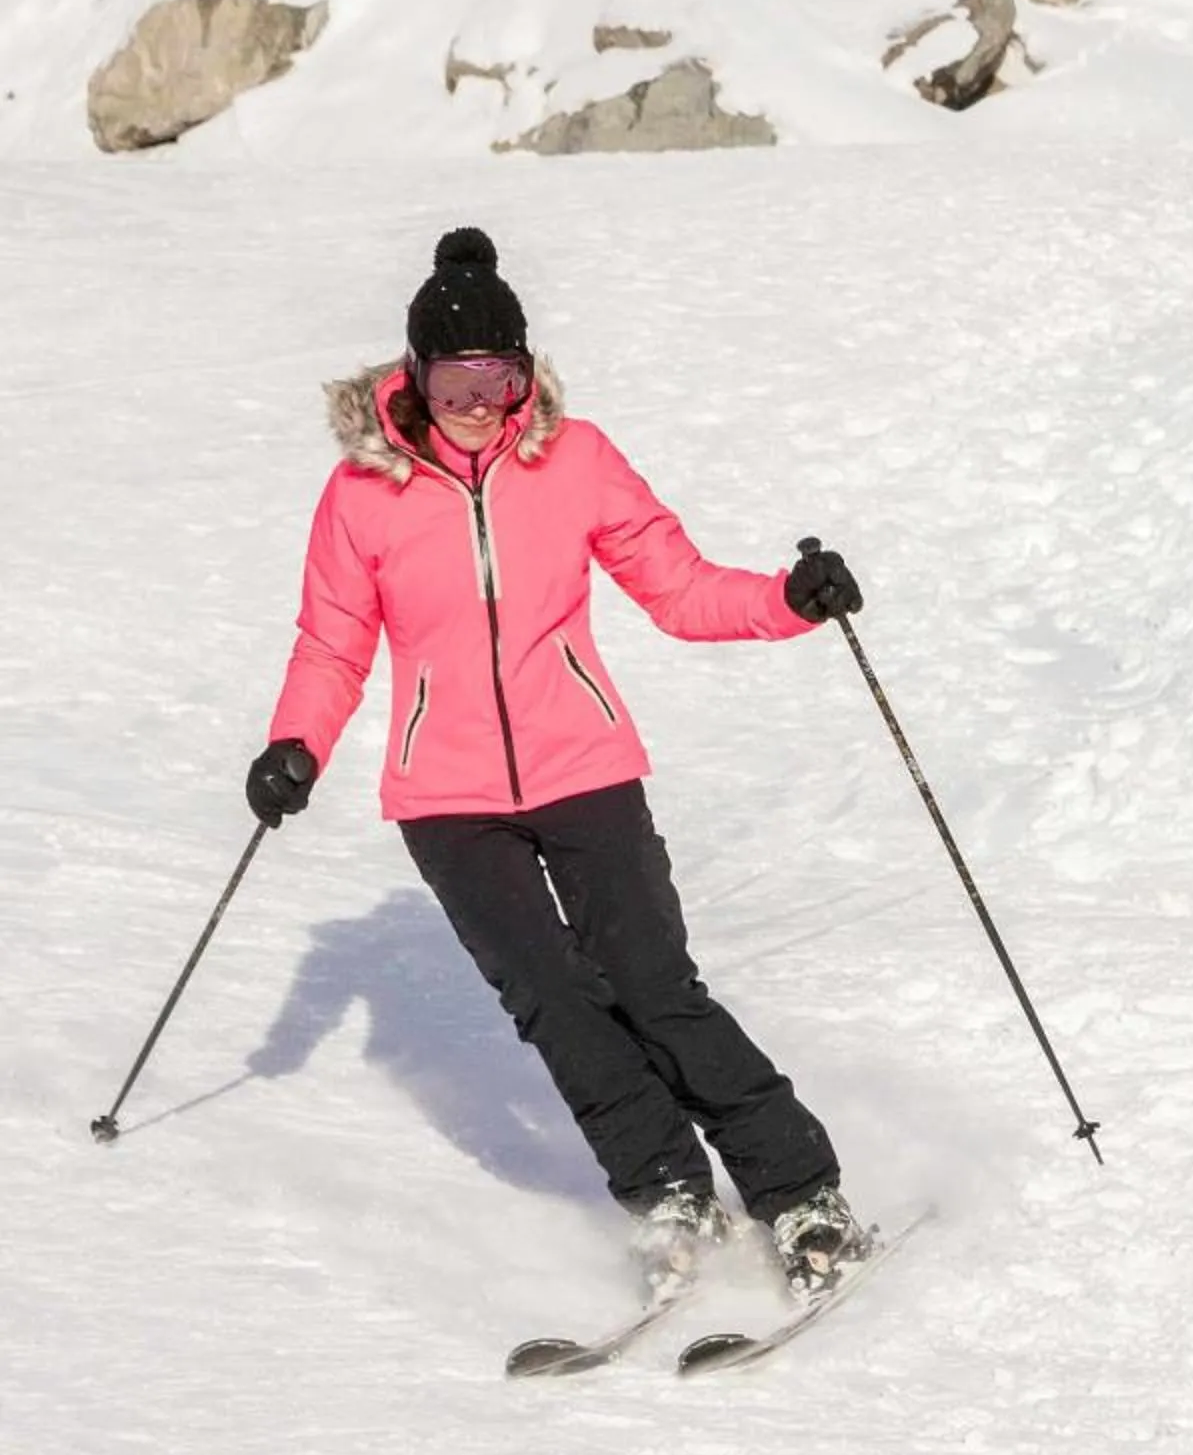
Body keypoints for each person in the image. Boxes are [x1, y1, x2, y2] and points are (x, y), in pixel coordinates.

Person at [247, 227, 878, 1302]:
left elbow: (678, 589)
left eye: (498, 374)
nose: (478, 399)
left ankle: (800, 1189)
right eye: (455, 376)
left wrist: (785, 598)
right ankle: (666, 1184)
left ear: (524, 371)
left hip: (583, 764)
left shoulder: (575, 459)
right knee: (554, 1000)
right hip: (446, 799)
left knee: (652, 985)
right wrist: (296, 742)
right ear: (413, 376)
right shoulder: (363, 494)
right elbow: (333, 642)